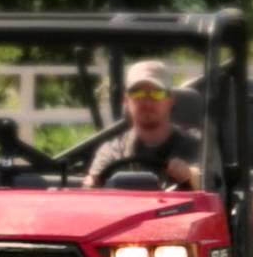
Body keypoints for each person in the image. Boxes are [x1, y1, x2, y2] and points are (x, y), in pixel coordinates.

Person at [82, 59, 203, 189]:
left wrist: (190, 176)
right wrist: (92, 185)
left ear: (171, 99)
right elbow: (91, 193)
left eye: (157, 93)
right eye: (138, 93)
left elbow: (213, 186)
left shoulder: (196, 146)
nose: (147, 102)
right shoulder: (113, 151)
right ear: (125, 100)